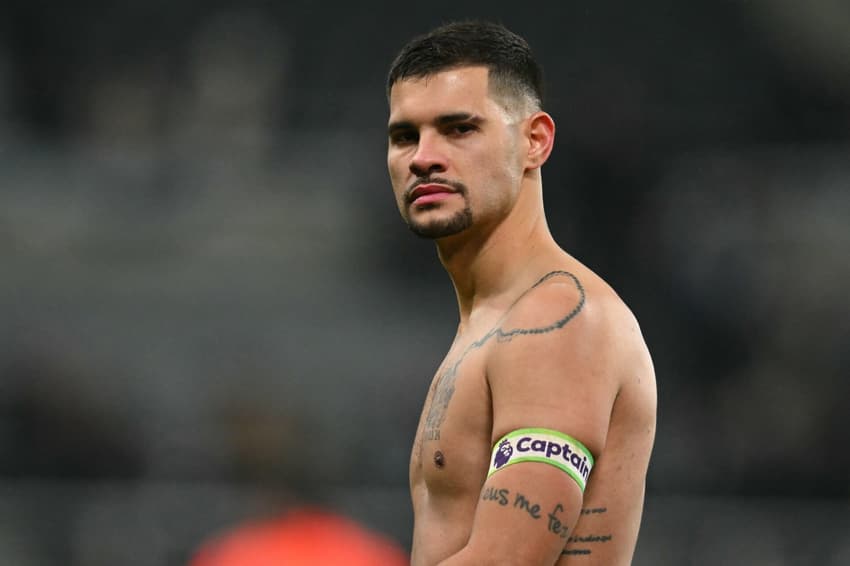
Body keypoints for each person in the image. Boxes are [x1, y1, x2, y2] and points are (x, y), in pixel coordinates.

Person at [385, 21, 657, 565]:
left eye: (459, 129)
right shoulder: (493, 320)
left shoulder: (558, 320)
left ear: (534, 141)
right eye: (405, 136)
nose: (423, 157)